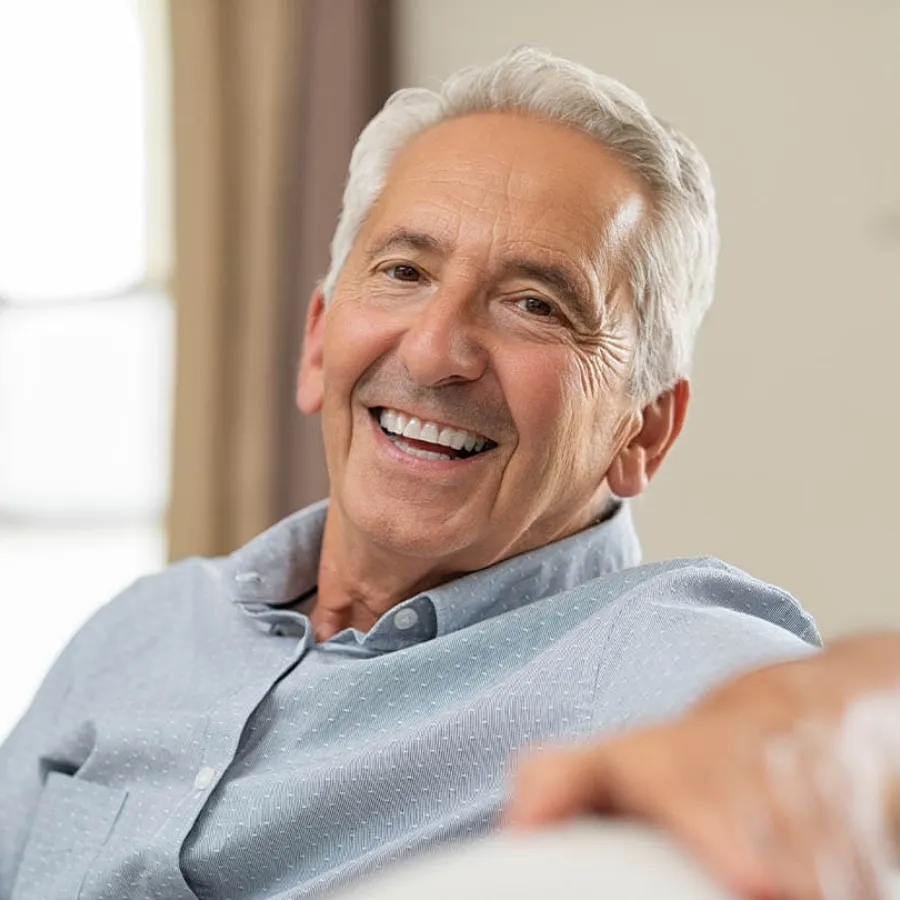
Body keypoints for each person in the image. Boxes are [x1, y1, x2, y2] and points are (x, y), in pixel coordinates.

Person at [1, 47, 896, 900]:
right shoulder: (139, 632)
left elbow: (848, 716)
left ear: (643, 431)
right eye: (403, 270)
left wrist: (813, 728)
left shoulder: (643, 653)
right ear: (318, 342)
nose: (435, 354)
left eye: (536, 305)